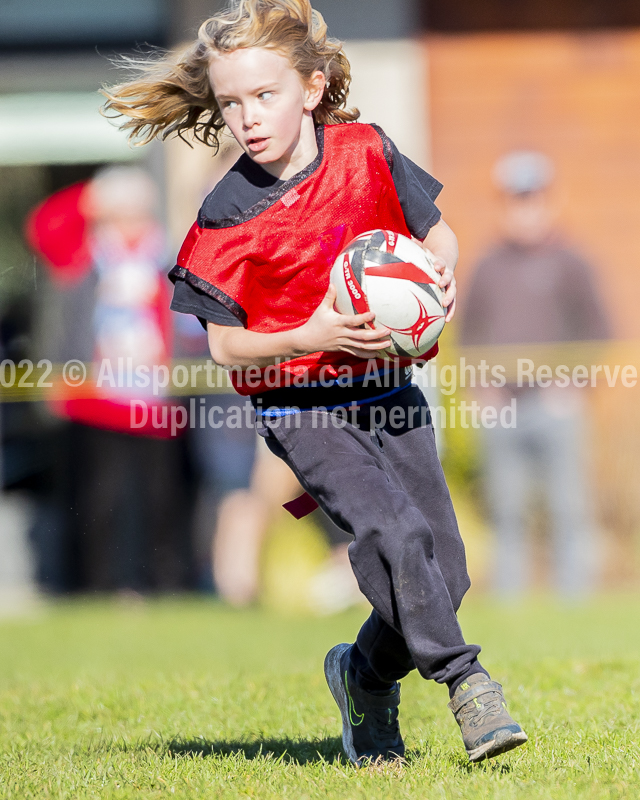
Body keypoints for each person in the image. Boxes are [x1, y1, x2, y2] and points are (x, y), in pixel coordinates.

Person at [103, 0, 527, 765]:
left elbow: (437, 232)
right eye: (231, 103)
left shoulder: (365, 150)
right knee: (393, 536)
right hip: (303, 407)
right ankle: (469, 685)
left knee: (446, 572)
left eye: (263, 96)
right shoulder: (224, 215)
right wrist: (312, 336)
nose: (247, 117)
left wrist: (439, 277)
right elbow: (227, 350)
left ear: (311, 86)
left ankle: (362, 678)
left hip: (389, 392)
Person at [459, 151, 610, 597]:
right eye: (515, 200)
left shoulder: (571, 263)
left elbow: (599, 331)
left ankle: (574, 600)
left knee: (568, 505)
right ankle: (512, 604)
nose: (524, 209)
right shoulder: (487, 266)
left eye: (532, 198)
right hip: (501, 408)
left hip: (555, 405)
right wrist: (479, 389)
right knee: (507, 508)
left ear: (549, 201)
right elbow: (469, 337)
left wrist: (576, 386)